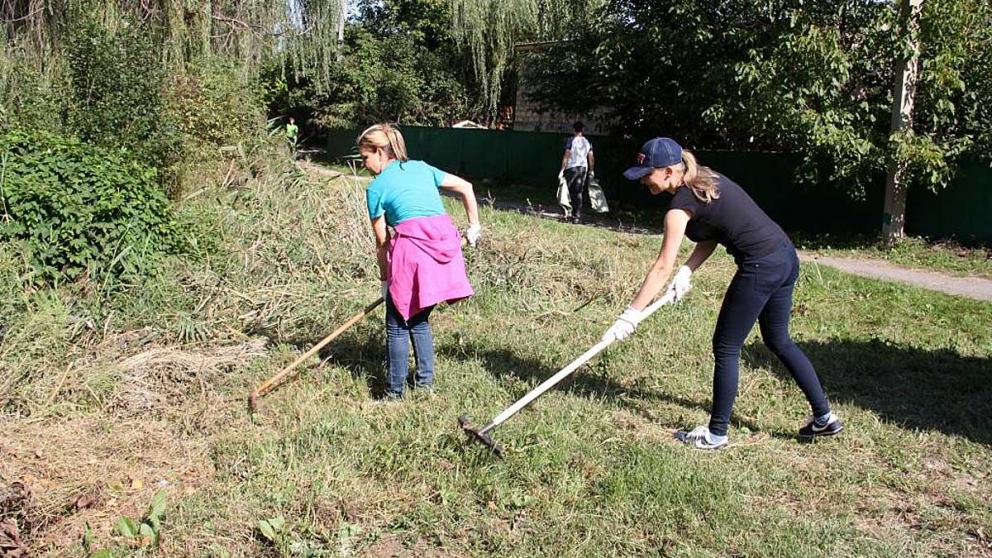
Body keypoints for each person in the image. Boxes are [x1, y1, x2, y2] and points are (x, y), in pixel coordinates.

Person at [602, 137, 842, 449]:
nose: (643, 180)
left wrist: (630, 314)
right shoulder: (705, 179)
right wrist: (688, 270)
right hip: (784, 257)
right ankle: (825, 417)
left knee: (726, 346)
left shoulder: (678, 209)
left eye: (647, 174)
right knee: (778, 339)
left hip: (761, 266)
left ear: (668, 172)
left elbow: (661, 267)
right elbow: (713, 230)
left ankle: (716, 434)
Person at [358, 123, 482, 399]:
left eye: (365, 157)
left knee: (397, 325)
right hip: (443, 251)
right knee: (419, 319)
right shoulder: (422, 168)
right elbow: (466, 187)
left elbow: (383, 243)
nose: (364, 165)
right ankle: (425, 385)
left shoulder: (376, 188)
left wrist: (385, 281)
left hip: (412, 254)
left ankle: (394, 394)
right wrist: (474, 227)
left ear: (380, 152)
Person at [559, 121, 595, 223]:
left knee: (566, 191)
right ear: (582, 130)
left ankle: (566, 214)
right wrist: (591, 170)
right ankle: (576, 216)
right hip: (583, 169)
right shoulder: (587, 142)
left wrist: (562, 170)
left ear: (573, 129)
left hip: (572, 168)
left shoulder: (571, 140)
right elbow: (591, 157)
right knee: (578, 192)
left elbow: (567, 155)